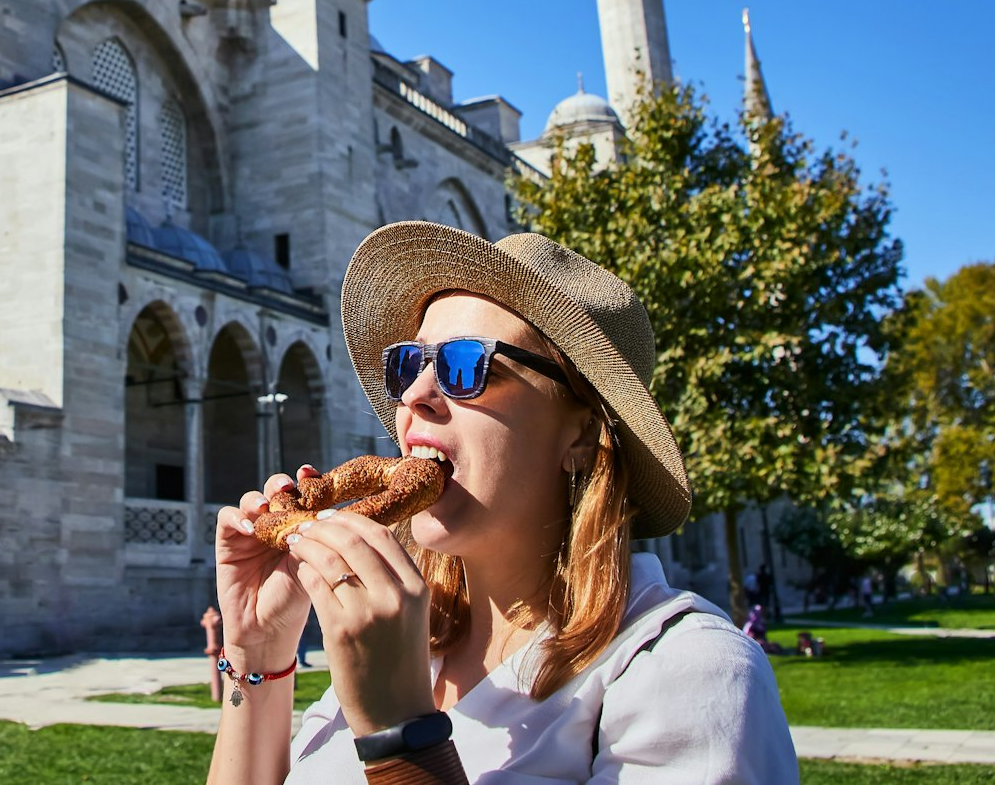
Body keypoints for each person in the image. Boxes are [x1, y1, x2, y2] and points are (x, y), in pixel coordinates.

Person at [208, 222, 799, 783]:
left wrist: (399, 730)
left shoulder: (687, 672)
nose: (415, 396)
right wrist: (258, 650)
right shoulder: (403, 646)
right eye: (408, 363)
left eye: (467, 365)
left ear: (580, 431)